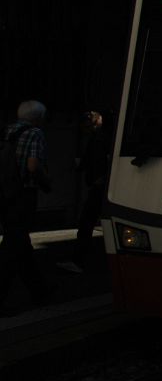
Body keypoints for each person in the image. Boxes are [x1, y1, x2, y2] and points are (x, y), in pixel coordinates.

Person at [0, 100, 52, 313]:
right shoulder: (35, 133)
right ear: (38, 117)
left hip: (3, 193)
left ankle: (39, 290)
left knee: (19, 241)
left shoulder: (6, 131)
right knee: (14, 245)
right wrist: (46, 182)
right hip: (22, 194)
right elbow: (33, 165)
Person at [59, 111, 109, 274]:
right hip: (102, 184)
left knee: (86, 223)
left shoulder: (97, 140)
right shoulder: (104, 137)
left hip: (98, 185)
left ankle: (79, 260)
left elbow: (91, 161)